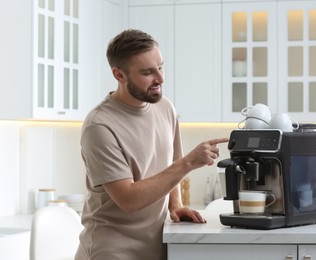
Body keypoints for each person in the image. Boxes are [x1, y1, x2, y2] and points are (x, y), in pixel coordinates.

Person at [75, 29, 228, 260]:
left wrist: (175, 205)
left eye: (161, 67)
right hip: (111, 252)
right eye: (147, 72)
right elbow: (129, 199)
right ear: (119, 75)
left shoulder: (165, 107)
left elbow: (170, 164)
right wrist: (189, 163)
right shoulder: (99, 126)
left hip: (155, 247)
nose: (160, 78)